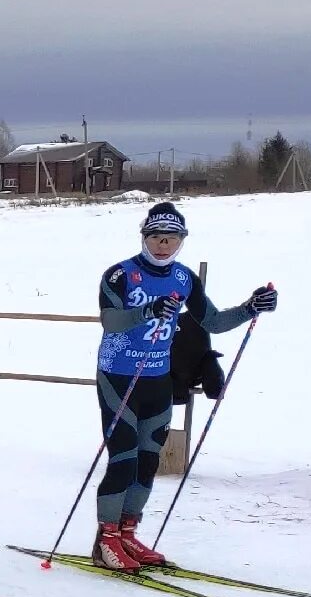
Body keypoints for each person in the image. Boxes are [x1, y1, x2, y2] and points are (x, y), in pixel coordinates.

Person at [87, 201, 274, 571]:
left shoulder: (185, 279)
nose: (163, 245)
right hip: (119, 376)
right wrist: (148, 311)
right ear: (144, 237)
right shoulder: (119, 275)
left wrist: (251, 308)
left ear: (181, 242)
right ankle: (105, 540)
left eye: (171, 239)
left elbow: (214, 322)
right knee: (122, 459)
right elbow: (110, 321)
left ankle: (127, 533)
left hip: (158, 378)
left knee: (147, 461)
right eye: (156, 237)